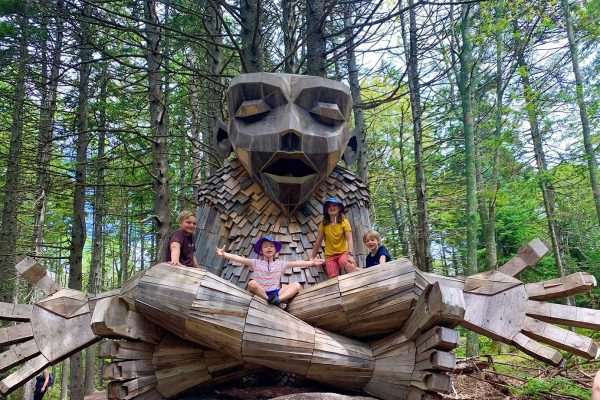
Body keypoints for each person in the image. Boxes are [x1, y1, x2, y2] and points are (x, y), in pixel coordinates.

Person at [216, 236, 324, 308]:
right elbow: (239, 258)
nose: (269, 248)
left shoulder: (280, 264)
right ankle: (270, 300)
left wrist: (312, 263)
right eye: (265, 246)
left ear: (275, 250)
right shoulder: (255, 262)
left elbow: (298, 263)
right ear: (261, 250)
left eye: (271, 246)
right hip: (261, 293)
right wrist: (225, 254)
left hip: (275, 294)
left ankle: (277, 300)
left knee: (296, 285)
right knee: (251, 283)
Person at [310, 198, 357, 278]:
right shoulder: (324, 224)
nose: (331, 207)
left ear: (339, 208)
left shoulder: (344, 222)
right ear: (326, 210)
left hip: (343, 253)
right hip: (330, 256)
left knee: (349, 265)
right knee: (333, 278)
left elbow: (349, 239)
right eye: (329, 206)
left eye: (334, 205)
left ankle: (356, 281)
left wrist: (350, 255)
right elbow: (318, 241)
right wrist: (312, 257)